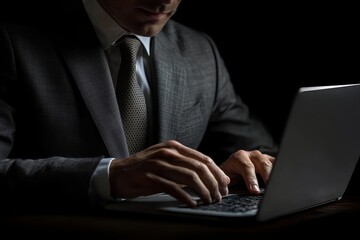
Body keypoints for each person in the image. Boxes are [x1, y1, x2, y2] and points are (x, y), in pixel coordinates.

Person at [0, 0, 277, 211]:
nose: (163, 0)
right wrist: (109, 176)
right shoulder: (11, 40)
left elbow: (260, 149)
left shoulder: (200, 50)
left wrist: (249, 167)